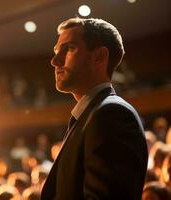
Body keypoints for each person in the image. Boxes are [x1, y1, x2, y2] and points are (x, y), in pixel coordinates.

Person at [41, 17, 148, 199]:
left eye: (69, 49)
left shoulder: (111, 114)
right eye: (57, 50)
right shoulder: (92, 116)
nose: (55, 61)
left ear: (99, 57)